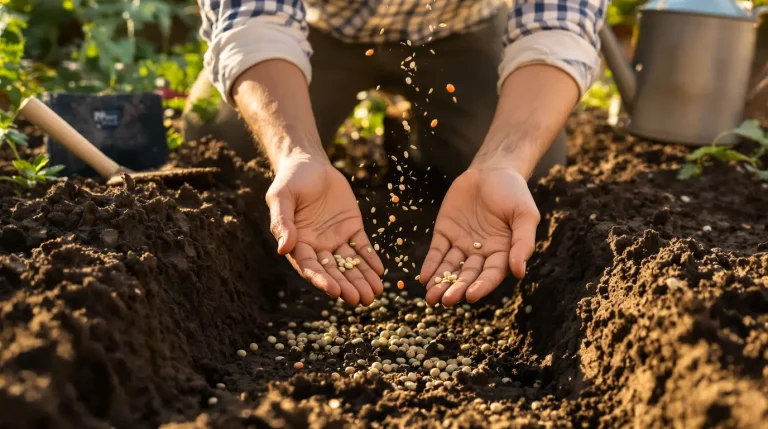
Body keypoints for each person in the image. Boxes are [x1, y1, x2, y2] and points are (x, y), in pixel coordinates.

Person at [188, 0, 607, 307]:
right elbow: (253, 16)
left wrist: (504, 162)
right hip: (318, 26)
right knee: (226, 146)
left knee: (537, 169)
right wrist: (296, 153)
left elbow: (562, 20)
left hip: (458, 26)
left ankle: (418, 148)